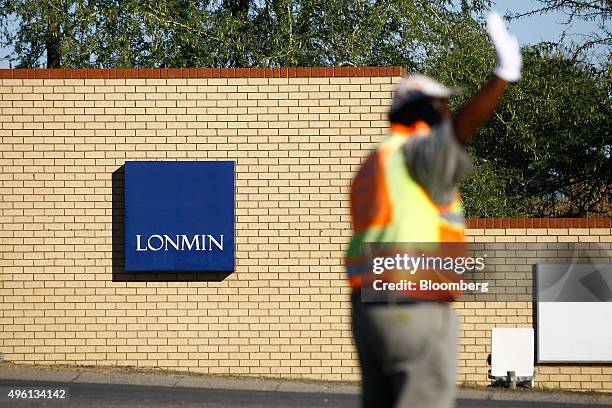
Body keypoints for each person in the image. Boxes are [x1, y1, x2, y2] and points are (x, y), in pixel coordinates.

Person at [345, 12, 522, 408]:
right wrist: (502, 76)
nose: (446, 112)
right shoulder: (416, 152)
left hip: (370, 309)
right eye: (441, 105)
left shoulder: (377, 161)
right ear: (422, 112)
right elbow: (460, 129)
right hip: (414, 306)